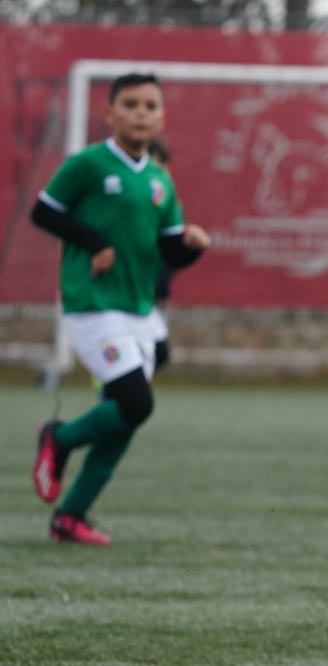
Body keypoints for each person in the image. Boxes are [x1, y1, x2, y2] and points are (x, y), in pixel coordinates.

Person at [30, 72, 210, 545]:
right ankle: (60, 437)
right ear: (109, 114)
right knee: (136, 402)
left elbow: (171, 251)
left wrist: (194, 246)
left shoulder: (159, 182)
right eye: (130, 104)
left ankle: (70, 517)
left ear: (162, 117)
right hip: (92, 304)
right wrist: (94, 242)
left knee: (126, 416)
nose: (141, 113)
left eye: (150, 106)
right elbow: (44, 211)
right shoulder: (87, 164)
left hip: (138, 310)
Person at [147, 137, 176, 372]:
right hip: (121, 294)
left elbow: (172, 252)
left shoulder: (169, 202)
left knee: (159, 354)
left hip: (152, 292)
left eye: (162, 165)